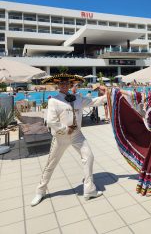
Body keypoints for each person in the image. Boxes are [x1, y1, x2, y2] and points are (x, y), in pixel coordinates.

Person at [31, 73, 107, 206]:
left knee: (89, 157)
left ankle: (89, 190)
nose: (64, 85)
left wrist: (109, 94)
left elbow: (95, 101)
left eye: (67, 83)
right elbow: (50, 121)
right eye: (61, 83)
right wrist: (66, 129)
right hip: (61, 137)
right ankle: (40, 191)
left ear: (70, 85)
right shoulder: (53, 101)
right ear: (58, 85)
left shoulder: (78, 98)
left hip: (77, 135)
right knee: (51, 164)